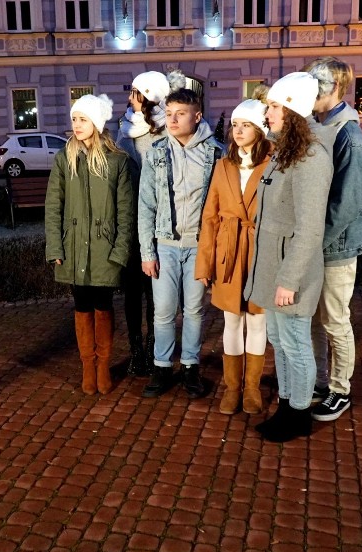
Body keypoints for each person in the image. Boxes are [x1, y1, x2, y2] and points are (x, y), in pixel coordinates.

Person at [242, 72, 334, 442]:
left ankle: (298, 415)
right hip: (274, 268)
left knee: (296, 343)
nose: (268, 114)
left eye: (274, 106)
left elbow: (310, 229)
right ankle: (286, 405)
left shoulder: (310, 158)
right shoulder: (286, 152)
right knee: (279, 342)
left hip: (290, 273)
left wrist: (289, 280)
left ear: (293, 109)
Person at [45, 93, 135, 395]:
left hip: (104, 249)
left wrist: (119, 251)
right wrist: (55, 248)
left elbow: (126, 210)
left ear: (96, 122)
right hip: (72, 248)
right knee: (81, 306)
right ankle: (88, 365)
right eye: (74, 119)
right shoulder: (63, 158)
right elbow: (53, 206)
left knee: (103, 306)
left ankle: (103, 365)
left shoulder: (117, 161)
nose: (76, 124)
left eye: (82, 119)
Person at [137, 87, 224, 399]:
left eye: (180, 114)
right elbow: (145, 205)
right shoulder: (157, 151)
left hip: (199, 245)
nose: (172, 119)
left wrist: (215, 253)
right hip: (165, 245)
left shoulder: (216, 153)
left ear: (196, 116)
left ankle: (190, 366)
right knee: (163, 311)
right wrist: (147, 251)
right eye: (169, 113)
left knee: (194, 310)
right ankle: (162, 366)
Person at [303, 57, 362, 422]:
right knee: (316, 321)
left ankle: (340, 390)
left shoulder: (350, 137)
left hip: (336, 246)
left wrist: (313, 244)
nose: (308, 93)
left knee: (334, 320)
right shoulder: (322, 128)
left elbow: (347, 205)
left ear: (332, 88)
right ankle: (319, 382)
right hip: (318, 244)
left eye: (315, 85)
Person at [195, 94, 273, 415]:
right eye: (235, 125)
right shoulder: (223, 166)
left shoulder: (274, 163)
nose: (238, 131)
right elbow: (210, 216)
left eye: (246, 125)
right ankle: (232, 388)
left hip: (259, 249)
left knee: (256, 320)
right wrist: (205, 264)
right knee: (231, 319)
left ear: (261, 129)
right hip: (228, 250)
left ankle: (252, 389)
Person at [116, 70, 185, 376]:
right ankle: (136, 351)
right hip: (130, 220)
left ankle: (157, 345)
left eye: (134, 92)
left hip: (159, 222)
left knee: (157, 291)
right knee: (132, 290)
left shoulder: (163, 131)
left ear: (146, 96)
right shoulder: (124, 125)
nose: (129, 96)